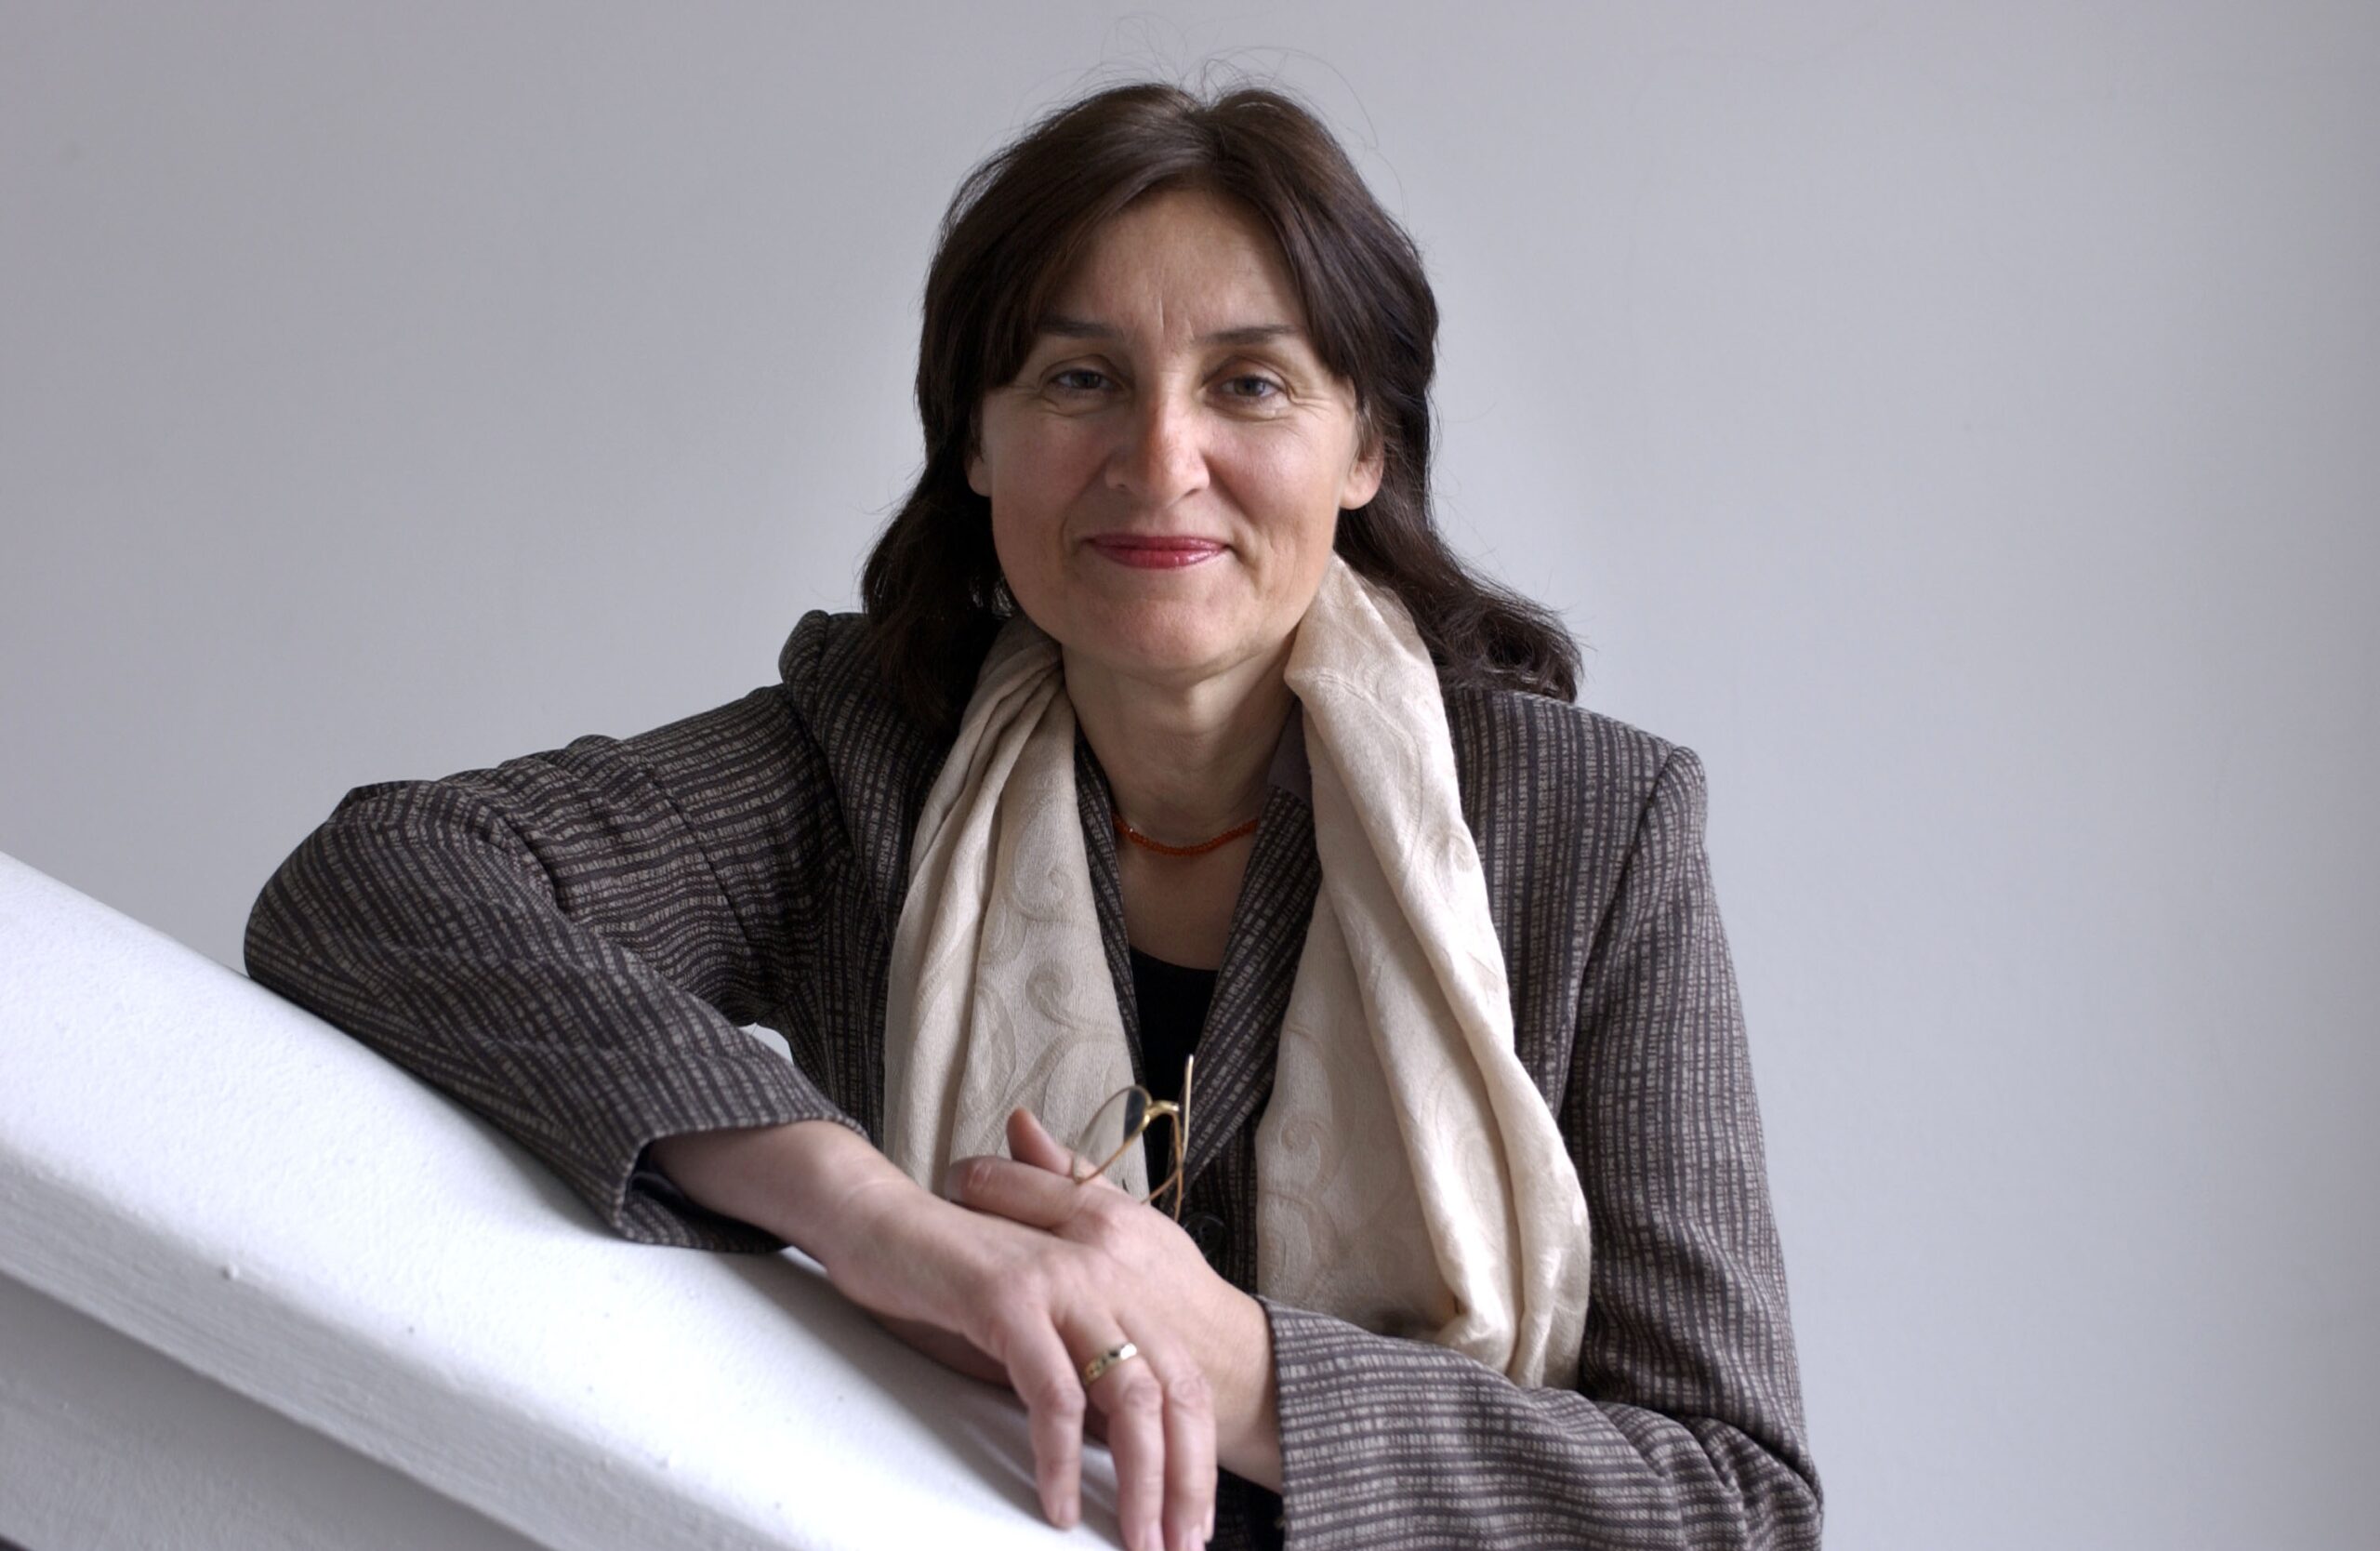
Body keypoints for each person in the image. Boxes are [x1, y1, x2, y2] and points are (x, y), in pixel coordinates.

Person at [245, 81, 1819, 1551]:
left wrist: (1237, 1366)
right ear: (978, 443)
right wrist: (866, 1216)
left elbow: (1734, 1500)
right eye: (1081, 380)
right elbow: (377, 880)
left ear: (1366, 447)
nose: (1160, 459)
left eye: (1249, 383)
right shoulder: (865, 760)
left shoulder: (1589, 831)